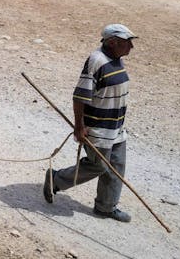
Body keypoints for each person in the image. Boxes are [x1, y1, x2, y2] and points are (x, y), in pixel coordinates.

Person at [43, 23, 136, 222]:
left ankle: (106, 207)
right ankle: (55, 179)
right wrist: (79, 126)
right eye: (127, 42)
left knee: (116, 167)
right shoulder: (96, 61)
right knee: (98, 166)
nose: (131, 46)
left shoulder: (116, 60)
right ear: (112, 42)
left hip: (116, 127)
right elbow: (80, 97)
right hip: (99, 128)